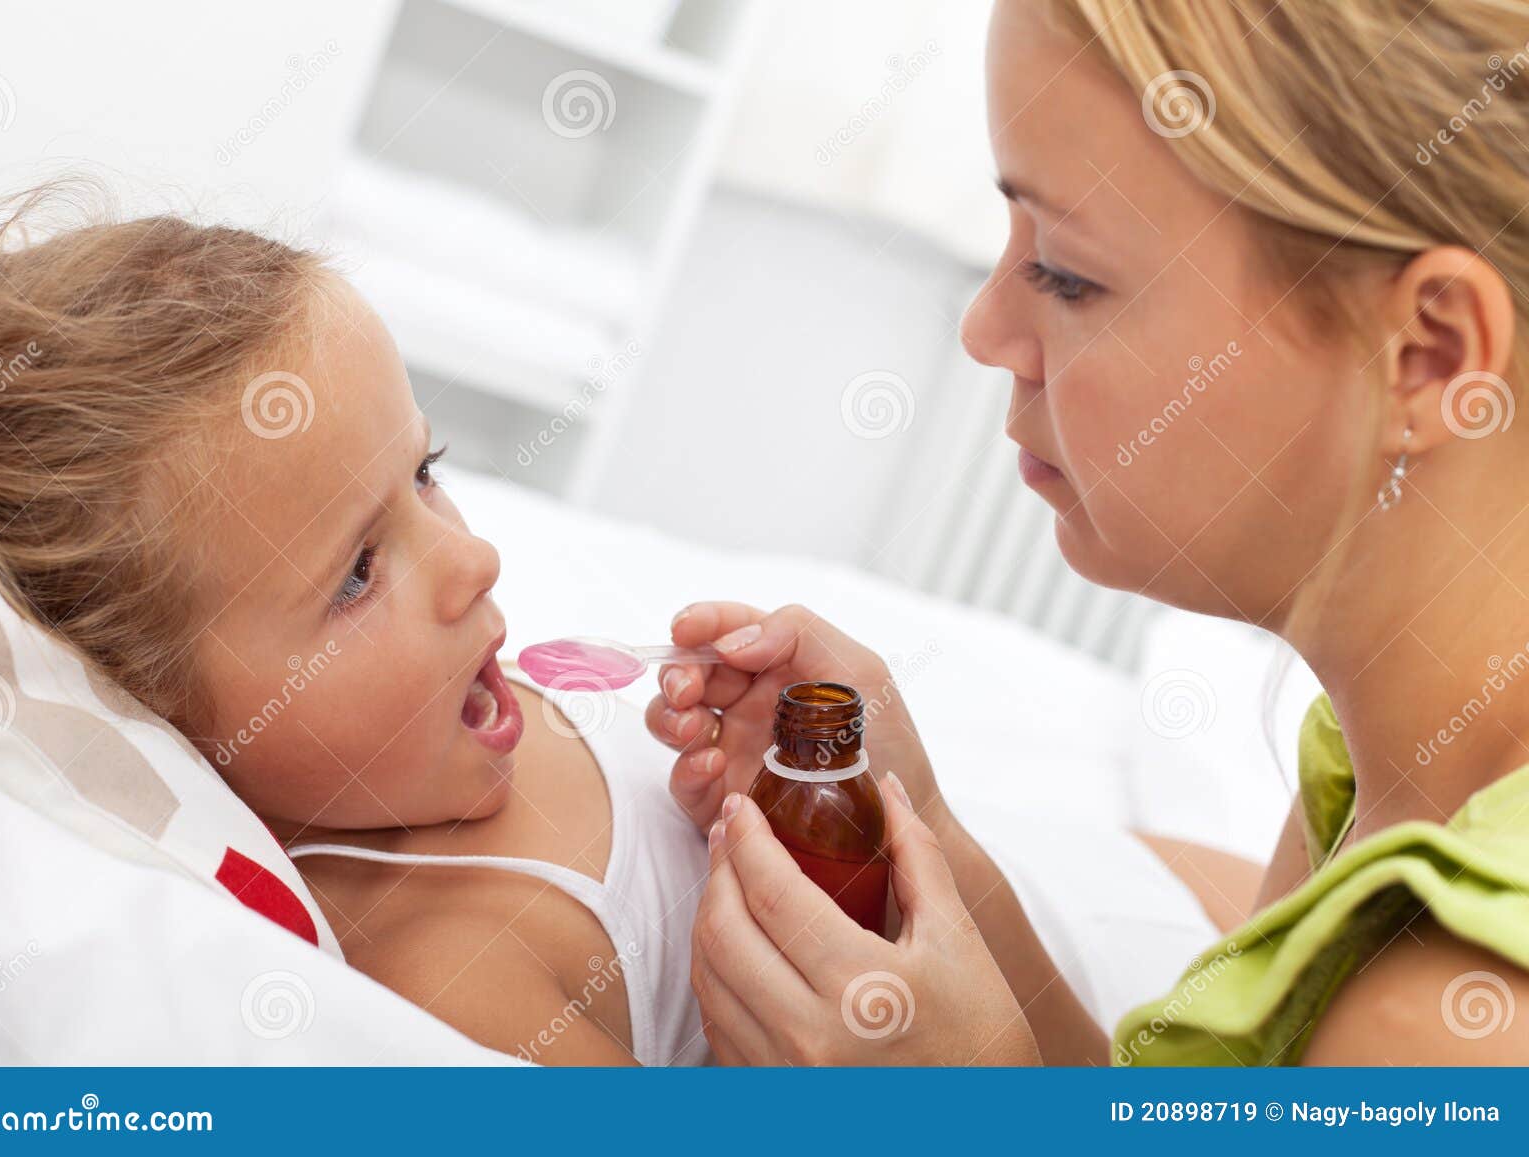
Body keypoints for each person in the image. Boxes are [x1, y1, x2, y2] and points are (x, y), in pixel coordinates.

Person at [648, 0, 1529, 1065]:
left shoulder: (1449, 1018)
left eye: (1066, 272)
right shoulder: (1378, 768)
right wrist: (917, 825)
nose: (983, 330)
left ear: (1428, 355)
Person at [0, 188, 710, 1066]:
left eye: (422, 471)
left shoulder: (450, 709)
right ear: (167, 715)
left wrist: (860, 767)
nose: (474, 559)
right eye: (357, 575)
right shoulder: (448, 980)